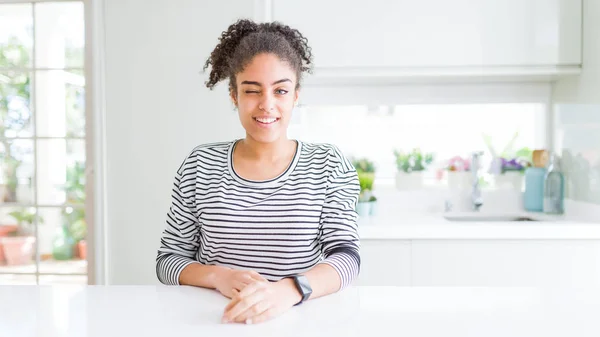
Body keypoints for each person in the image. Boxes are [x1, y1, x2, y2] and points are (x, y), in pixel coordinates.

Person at [155, 18, 360, 325]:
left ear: (295, 96)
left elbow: (347, 259)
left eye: (280, 91)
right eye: (252, 91)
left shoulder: (328, 165)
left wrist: (289, 290)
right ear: (234, 95)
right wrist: (217, 277)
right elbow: (168, 261)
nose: (267, 105)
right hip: (212, 322)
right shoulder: (200, 165)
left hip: (297, 322)